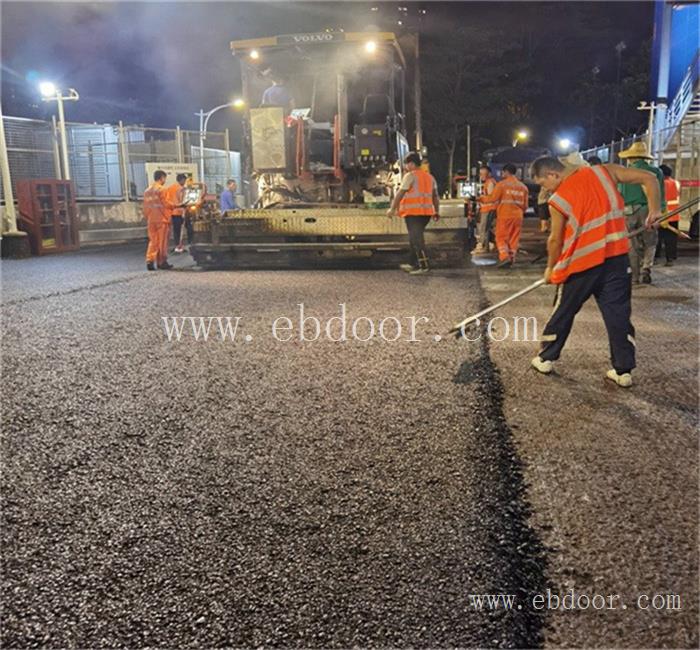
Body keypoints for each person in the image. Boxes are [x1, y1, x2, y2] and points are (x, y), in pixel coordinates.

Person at [529, 156, 661, 387]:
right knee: (618, 315)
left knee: (564, 310)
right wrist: (654, 211)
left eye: (542, 183)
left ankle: (546, 358)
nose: (545, 188)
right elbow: (650, 179)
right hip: (617, 260)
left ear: (553, 174)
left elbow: (555, 240)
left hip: (582, 264)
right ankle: (623, 371)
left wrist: (551, 267)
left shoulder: (558, 200)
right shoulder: (605, 172)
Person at [617, 141, 666, 284]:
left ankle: (634, 276)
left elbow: (619, 193)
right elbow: (660, 194)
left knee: (632, 243)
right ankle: (646, 268)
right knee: (650, 241)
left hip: (627, 211)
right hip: (648, 209)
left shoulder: (624, 173)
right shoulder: (656, 172)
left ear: (630, 158)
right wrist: (660, 211)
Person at [387, 152, 440, 275]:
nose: (405, 166)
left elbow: (400, 193)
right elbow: (435, 196)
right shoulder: (430, 177)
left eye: (406, 164)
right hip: (426, 214)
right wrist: (436, 211)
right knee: (414, 238)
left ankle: (423, 266)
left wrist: (392, 209)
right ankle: (413, 263)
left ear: (411, 164)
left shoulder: (410, 176)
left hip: (413, 214)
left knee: (417, 239)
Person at [479, 163, 528, 268]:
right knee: (513, 238)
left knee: (501, 237)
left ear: (506, 172)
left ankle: (505, 257)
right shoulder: (523, 187)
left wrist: (479, 198)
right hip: (518, 217)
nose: (501, 174)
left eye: (502, 172)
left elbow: (492, 198)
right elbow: (525, 206)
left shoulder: (502, 185)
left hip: (505, 215)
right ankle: (511, 258)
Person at [143, 170, 173, 271]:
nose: (165, 180)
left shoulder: (147, 191)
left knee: (153, 241)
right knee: (162, 242)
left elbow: (146, 207)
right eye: (164, 178)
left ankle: (150, 261)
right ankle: (162, 262)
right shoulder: (162, 190)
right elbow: (167, 204)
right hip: (162, 220)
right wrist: (177, 205)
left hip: (151, 220)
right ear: (162, 178)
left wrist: (148, 217)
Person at [655, 164, 681, 266]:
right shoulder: (677, 183)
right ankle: (670, 259)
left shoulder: (659, 184)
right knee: (671, 238)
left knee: (657, 238)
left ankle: (655, 258)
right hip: (674, 214)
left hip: (661, 215)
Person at [472, 165, 497, 254]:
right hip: (487, 208)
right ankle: (488, 244)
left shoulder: (490, 183)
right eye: (480, 174)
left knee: (484, 228)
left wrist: (479, 198)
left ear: (489, 174)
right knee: (485, 228)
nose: (481, 176)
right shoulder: (488, 182)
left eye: (483, 174)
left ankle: (483, 246)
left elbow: (490, 197)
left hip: (488, 208)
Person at [166, 173, 188, 254]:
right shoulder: (181, 189)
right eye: (184, 180)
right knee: (180, 230)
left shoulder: (170, 188)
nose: (185, 182)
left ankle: (177, 245)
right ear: (181, 180)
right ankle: (179, 246)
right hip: (179, 211)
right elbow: (183, 200)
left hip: (172, 212)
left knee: (176, 230)